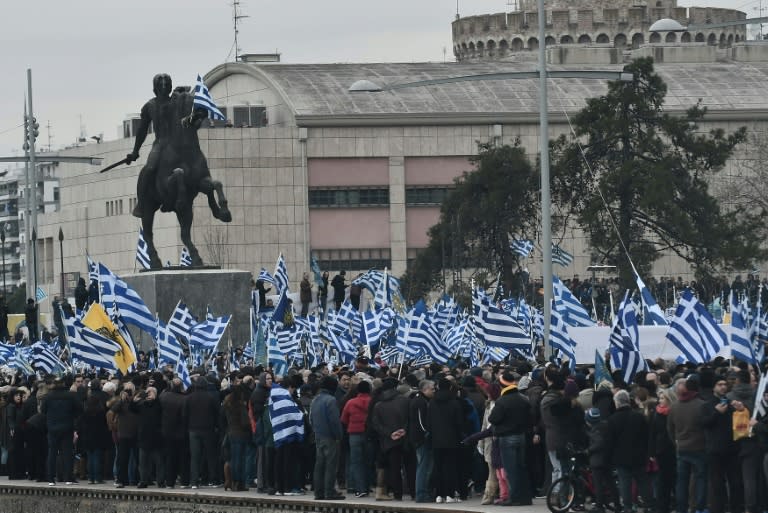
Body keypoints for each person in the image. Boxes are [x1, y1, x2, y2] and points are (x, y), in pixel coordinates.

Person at [126, 73, 174, 218]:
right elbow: (141, 131)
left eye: (166, 84)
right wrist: (135, 151)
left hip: (177, 142)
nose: (164, 87)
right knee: (150, 168)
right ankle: (142, 203)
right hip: (160, 144)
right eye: (161, 85)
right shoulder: (150, 106)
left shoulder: (176, 102)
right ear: (156, 88)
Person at [488, 371, 533, 506]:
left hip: (507, 437)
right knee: (521, 467)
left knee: (511, 469)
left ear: (502, 386)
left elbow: (493, 418)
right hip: (521, 436)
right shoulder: (524, 399)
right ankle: (526, 497)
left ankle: (514, 497)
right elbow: (530, 417)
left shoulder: (502, 401)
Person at [41, 377, 83, 485]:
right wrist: (72, 416)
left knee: (52, 453)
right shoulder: (70, 395)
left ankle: (51, 478)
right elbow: (80, 409)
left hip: (52, 428)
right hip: (67, 427)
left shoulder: (48, 396)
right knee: (67, 453)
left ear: (54, 384)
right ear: (63, 383)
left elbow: (43, 411)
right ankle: (68, 478)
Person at [310, 376, 345, 500]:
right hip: (330, 437)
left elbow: (311, 419)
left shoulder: (315, 400)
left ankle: (318, 492)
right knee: (331, 465)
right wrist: (338, 435)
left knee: (319, 465)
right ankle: (329, 492)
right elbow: (334, 421)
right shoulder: (331, 400)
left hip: (318, 436)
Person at [341, 379, 373, 498]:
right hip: (369, 435)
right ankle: (367, 486)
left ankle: (359, 488)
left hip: (354, 435)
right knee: (368, 461)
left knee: (356, 462)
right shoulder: (372, 402)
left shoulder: (350, 402)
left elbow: (343, 419)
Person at [409, 379, 435, 503]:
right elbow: (421, 422)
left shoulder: (423, 400)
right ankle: (421, 494)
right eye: (432, 389)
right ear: (425, 389)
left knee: (425, 466)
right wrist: (427, 433)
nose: (434, 391)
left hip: (421, 438)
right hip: (421, 439)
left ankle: (423, 492)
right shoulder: (420, 402)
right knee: (423, 467)